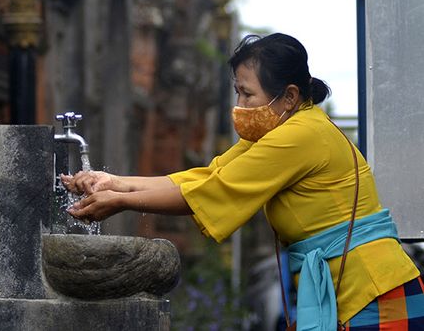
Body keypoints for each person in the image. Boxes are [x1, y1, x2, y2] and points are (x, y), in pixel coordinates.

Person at [62, 33, 423, 330]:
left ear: (290, 96)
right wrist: (114, 182)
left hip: (375, 292)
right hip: (360, 289)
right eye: (237, 92)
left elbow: (207, 193)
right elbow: (207, 177)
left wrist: (121, 201)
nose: (240, 104)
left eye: (247, 93)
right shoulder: (282, 130)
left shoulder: (298, 136)